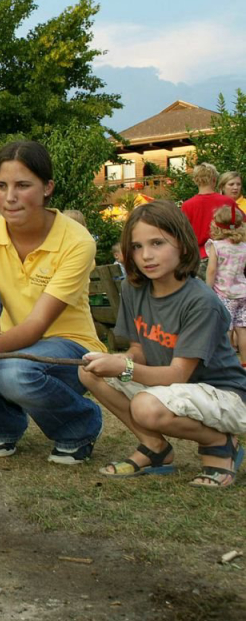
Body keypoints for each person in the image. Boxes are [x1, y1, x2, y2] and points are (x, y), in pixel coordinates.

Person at [0, 140, 105, 463]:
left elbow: (36, 325)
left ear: (48, 188)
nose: (10, 197)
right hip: (11, 349)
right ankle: (5, 428)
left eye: (23, 185)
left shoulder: (76, 241)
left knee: (13, 372)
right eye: (1, 186)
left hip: (72, 348)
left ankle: (80, 425)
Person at [80, 202, 246, 488]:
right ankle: (154, 448)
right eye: (136, 246)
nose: (146, 256)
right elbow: (139, 351)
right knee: (88, 370)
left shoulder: (201, 302)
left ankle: (220, 443)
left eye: (157, 243)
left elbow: (178, 374)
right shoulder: (134, 288)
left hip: (225, 396)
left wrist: (124, 366)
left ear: (182, 244)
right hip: (169, 389)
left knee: (146, 406)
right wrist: (115, 362)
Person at [204, 206, 246, 366]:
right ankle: (244, 362)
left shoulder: (216, 245)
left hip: (224, 294)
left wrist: (208, 290)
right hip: (243, 292)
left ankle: (228, 363)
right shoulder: (243, 246)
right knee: (242, 329)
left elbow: (212, 270)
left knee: (226, 329)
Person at [181, 163, 240, 259]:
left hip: (199, 256)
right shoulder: (227, 202)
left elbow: (183, 235)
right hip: (225, 254)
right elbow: (240, 225)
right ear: (214, 180)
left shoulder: (187, 205)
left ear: (195, 181)